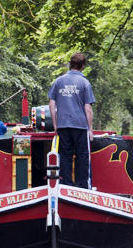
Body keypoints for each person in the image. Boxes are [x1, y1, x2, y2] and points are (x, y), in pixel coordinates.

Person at [48, 52, 95, 189]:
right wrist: (90, 129)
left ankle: (65, 185)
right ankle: (83, 187)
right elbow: (88, 108)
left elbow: (52, 105)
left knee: (65, 156)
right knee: (82, 157)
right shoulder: (85, 83)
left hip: (63, 125)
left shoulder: (58, 81)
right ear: (82, 66)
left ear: (70, 64)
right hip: (80, 126)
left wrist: (56, 125)